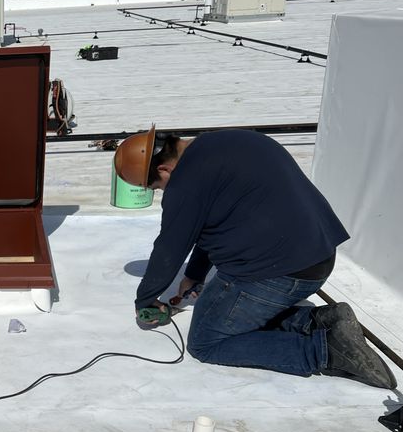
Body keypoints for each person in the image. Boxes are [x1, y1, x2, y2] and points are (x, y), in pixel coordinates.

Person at [116, 125, 396, 389]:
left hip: (280, 275)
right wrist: (194, 275)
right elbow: (210, 221)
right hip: (320, 257)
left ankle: (327, 351)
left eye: (155, 186)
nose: (161, 191)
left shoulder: (184, 182)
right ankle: (319, 320)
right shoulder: (231, 141)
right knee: (232, 313)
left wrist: (146, 300)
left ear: (164, 169)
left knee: (206, 340)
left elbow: (170, 248)